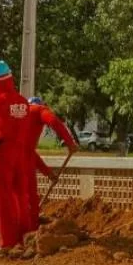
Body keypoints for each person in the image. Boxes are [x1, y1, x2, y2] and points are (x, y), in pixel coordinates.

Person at [0, 61, 29, 251]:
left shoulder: (0, 101)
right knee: (19, 195)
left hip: (2, 153)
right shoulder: (23, 102)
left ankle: (7, 242)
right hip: (20, 154)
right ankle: (23, 237)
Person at [21, 97, 78, 234]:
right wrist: (69, 142)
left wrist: (49, 174)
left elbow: (30, 155)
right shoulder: (38, 110)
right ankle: (31, 231)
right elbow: (53, 121)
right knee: (30, 197)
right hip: (21, 159)